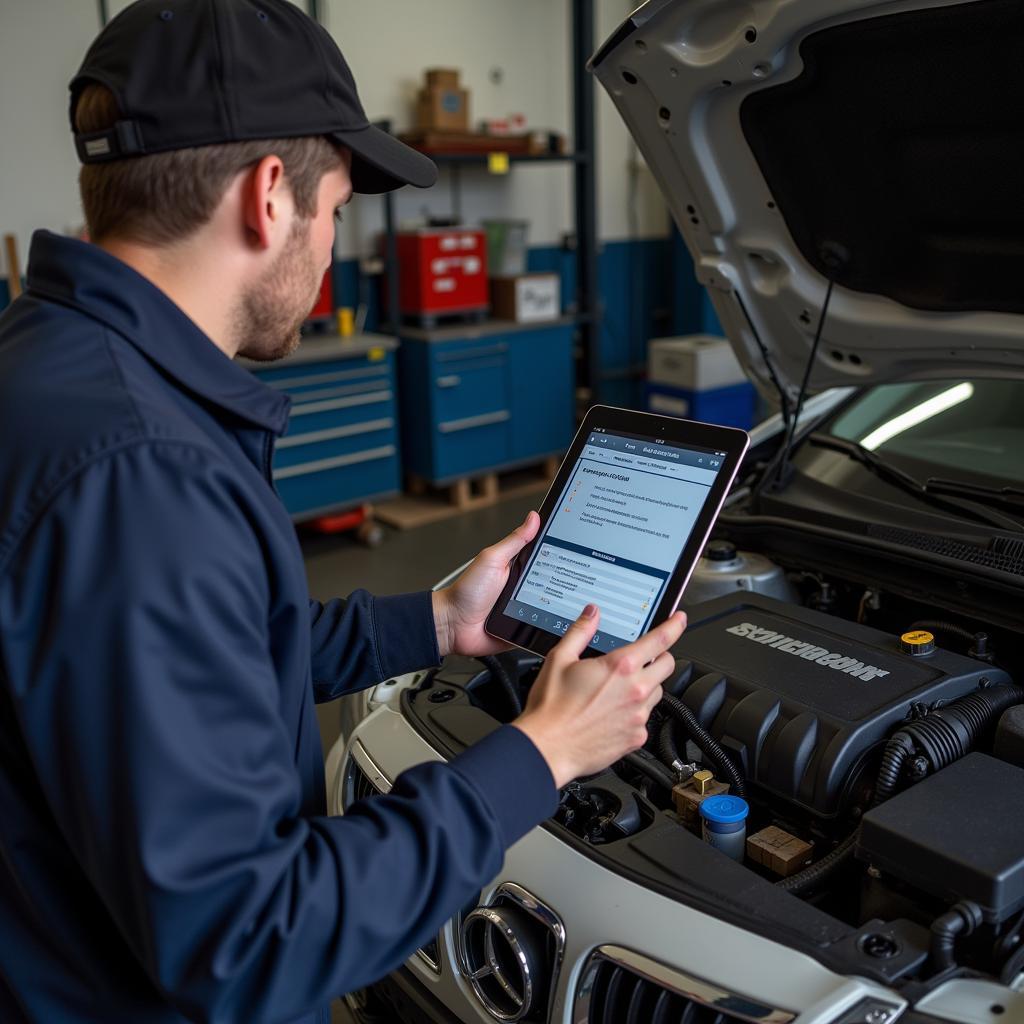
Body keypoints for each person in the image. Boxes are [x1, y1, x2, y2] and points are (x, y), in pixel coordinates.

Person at [0, 2, 685, 1022]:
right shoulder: (143, 473)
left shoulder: (50, 365)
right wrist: (539, 756)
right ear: (269, 196)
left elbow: (210, 656)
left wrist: (439, 624)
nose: (332, 247)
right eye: (336, 210)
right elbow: (247, 939)